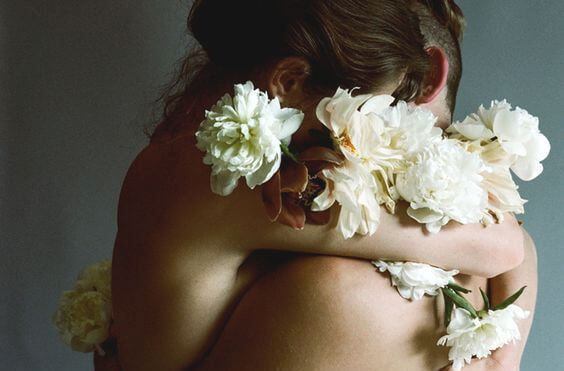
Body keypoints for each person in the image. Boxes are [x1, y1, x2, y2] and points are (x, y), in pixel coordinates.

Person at [108, 0, 531, 370]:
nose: (362, 144)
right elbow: (501, 246)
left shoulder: (190, 144)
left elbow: (514, 242)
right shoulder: (230, 178)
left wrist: (504, 358)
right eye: (363, 114)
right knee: (344, 294)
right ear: (290, 82)